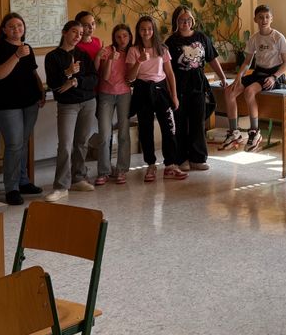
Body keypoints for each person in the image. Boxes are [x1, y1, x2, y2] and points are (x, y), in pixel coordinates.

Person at [0, 13, 45, 205]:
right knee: (13, 145)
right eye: (11, 26)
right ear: (4, 29)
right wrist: (17, 55)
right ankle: (11, 188)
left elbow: (33, 72)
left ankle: (23, 181)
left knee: (23, 142)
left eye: (19, 25)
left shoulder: (27, 47)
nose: (16, 29)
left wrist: (41, 91)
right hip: (7, 105)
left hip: (30, 102)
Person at [165, 6, 227, 172]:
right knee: (180, 122)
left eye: (188, 20)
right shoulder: (171, 42)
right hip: (179, 86)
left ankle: (197, 158)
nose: (185, 23)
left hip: (198, 84)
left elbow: (212, 59)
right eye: (181, 20)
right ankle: (181, 159)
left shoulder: (201, 37)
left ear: (192, 21)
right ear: (176, 22)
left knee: (197, 122)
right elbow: (166, 68)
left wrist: (222, 76)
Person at [222, 4, 286, 152]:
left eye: (267, 17)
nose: (264, 20)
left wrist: (274, 77)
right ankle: (234, 132)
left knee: (249, 91)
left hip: (274, 75)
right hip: (258, 73)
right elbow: (247, 62)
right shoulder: (254, 38)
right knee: (229, 91)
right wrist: (239, 76)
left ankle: (254, 132)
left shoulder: (278, 37)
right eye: (260, 17)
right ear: (255, 20)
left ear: (271, 19)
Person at [125, 15, 186, 182]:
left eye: (149, 29)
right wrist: (139, 61)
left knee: (169, 128)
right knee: (146, 129)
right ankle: (151, 165)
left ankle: (170, 164)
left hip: (161, 90)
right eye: (143, 29)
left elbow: (170, 73)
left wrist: (174, 95)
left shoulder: (162, 49)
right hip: (142, 90)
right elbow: (130, 77)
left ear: (154, 30)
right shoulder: (133, 50)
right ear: (138, 31)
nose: (146, 32)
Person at [44, 20, 98, 202]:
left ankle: (78, 178)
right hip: (68, 105)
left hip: (88, 102)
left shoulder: (83, 54)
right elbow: (54, 85)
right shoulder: (52, 57)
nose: (77, 36)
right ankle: (61, 186)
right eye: (74, 32)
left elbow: (94, 78)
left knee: (81, 142)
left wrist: (76, 81)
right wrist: (67, 73)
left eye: (80, 34)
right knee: (65, 145)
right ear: (64, 32)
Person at [94, 23, 133, 184]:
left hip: (124, 94)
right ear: (113, 38)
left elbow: (133, 75)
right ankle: (103, 171)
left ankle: (121, 169)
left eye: (125, 36)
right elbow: (104, 76)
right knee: (104, 133)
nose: (122, 39)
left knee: (124, 132)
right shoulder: (107, 50)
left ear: (130, 37)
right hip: (106, 94)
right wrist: (110, 59)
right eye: (118, 36)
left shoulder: (132, 52)